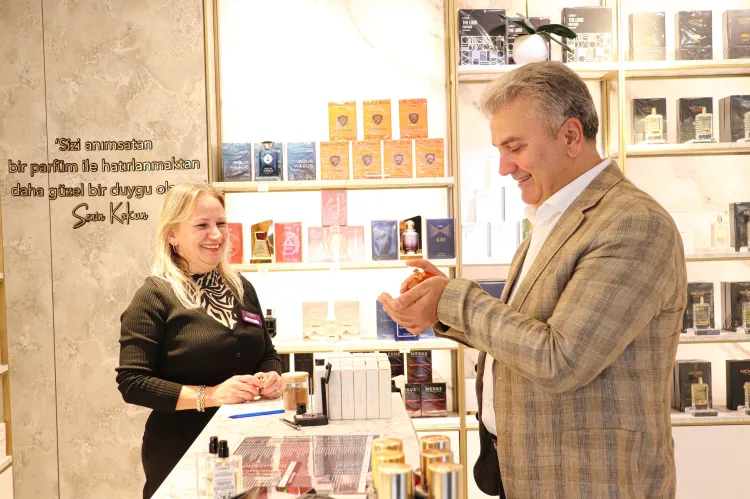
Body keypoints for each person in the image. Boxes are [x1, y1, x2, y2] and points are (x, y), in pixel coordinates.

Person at [379, 62, 687, 499]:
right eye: (500, 150)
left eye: (515, 147)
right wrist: (439, 307)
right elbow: (524, 336)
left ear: (571, 136)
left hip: (592, 482)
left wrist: (454, 299)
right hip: (528, 472)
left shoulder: (633, 223)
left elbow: (562, 359)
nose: (504, 167)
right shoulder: (551, 219)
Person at [116, 183, 282, 498]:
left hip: (248, 445)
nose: (216, 234)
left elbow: (267, 353)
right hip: (182, 451)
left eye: (221, 223)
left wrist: (271, 376)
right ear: (172, 235)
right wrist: (213, 395)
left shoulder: (240, 287)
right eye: (202, 225)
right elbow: (133, 383)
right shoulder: (154, 296)